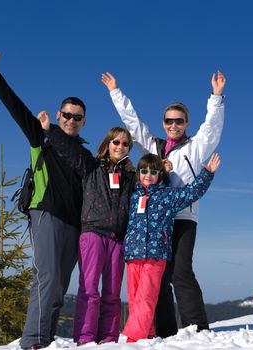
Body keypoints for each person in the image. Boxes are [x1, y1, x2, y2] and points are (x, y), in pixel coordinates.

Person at [0, 44, 92, 350]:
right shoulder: (42, 135)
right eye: (66, 114)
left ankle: (46, 339)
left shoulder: (85, 153)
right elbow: (17, 109)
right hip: (46, 213)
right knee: (47, 278)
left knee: (59, 286)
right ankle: (34, 342)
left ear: (83, 121)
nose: (70, 120)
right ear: (59, 114)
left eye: (77, 117)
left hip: (74, 223)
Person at [102, 71, 226, 336]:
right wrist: (115, 92)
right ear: (164, 122)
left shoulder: (195, 147)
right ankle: (166, 331)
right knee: (159, 279)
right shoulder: (154, 148)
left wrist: (215, 97)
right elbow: (133, 125)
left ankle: (197, 327)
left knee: (181, 271)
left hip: (182, 216)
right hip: (157, 222)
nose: (173, 125)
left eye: (179, 121)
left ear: (186, 123)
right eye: (169, 121)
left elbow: (212, 129)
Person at [38, 110, 136, 345]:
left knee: (112, 294)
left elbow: (152, 180)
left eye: (125, 144)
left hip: (117, 238)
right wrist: (49, 129)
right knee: (90, 290)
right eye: (116, 141)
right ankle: (85, 338)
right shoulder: (91, 166)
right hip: (92, 233)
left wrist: (163, 168)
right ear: (108, 143)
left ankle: (109, 338)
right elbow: (69, 150)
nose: (120, 146)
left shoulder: (131, 176)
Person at [122, 153, 221, 342]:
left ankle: (133, 339)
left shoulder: (167, 196)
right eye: (144, 171)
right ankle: (148, 333)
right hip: (133, 253)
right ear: (138, 173)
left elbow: (191, 192)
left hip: (155, 254)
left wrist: (206, 174)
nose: (148, 175)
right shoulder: (133, 195)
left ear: (160, 174)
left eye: (153, 171)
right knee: (134, 298)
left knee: (147, 296)